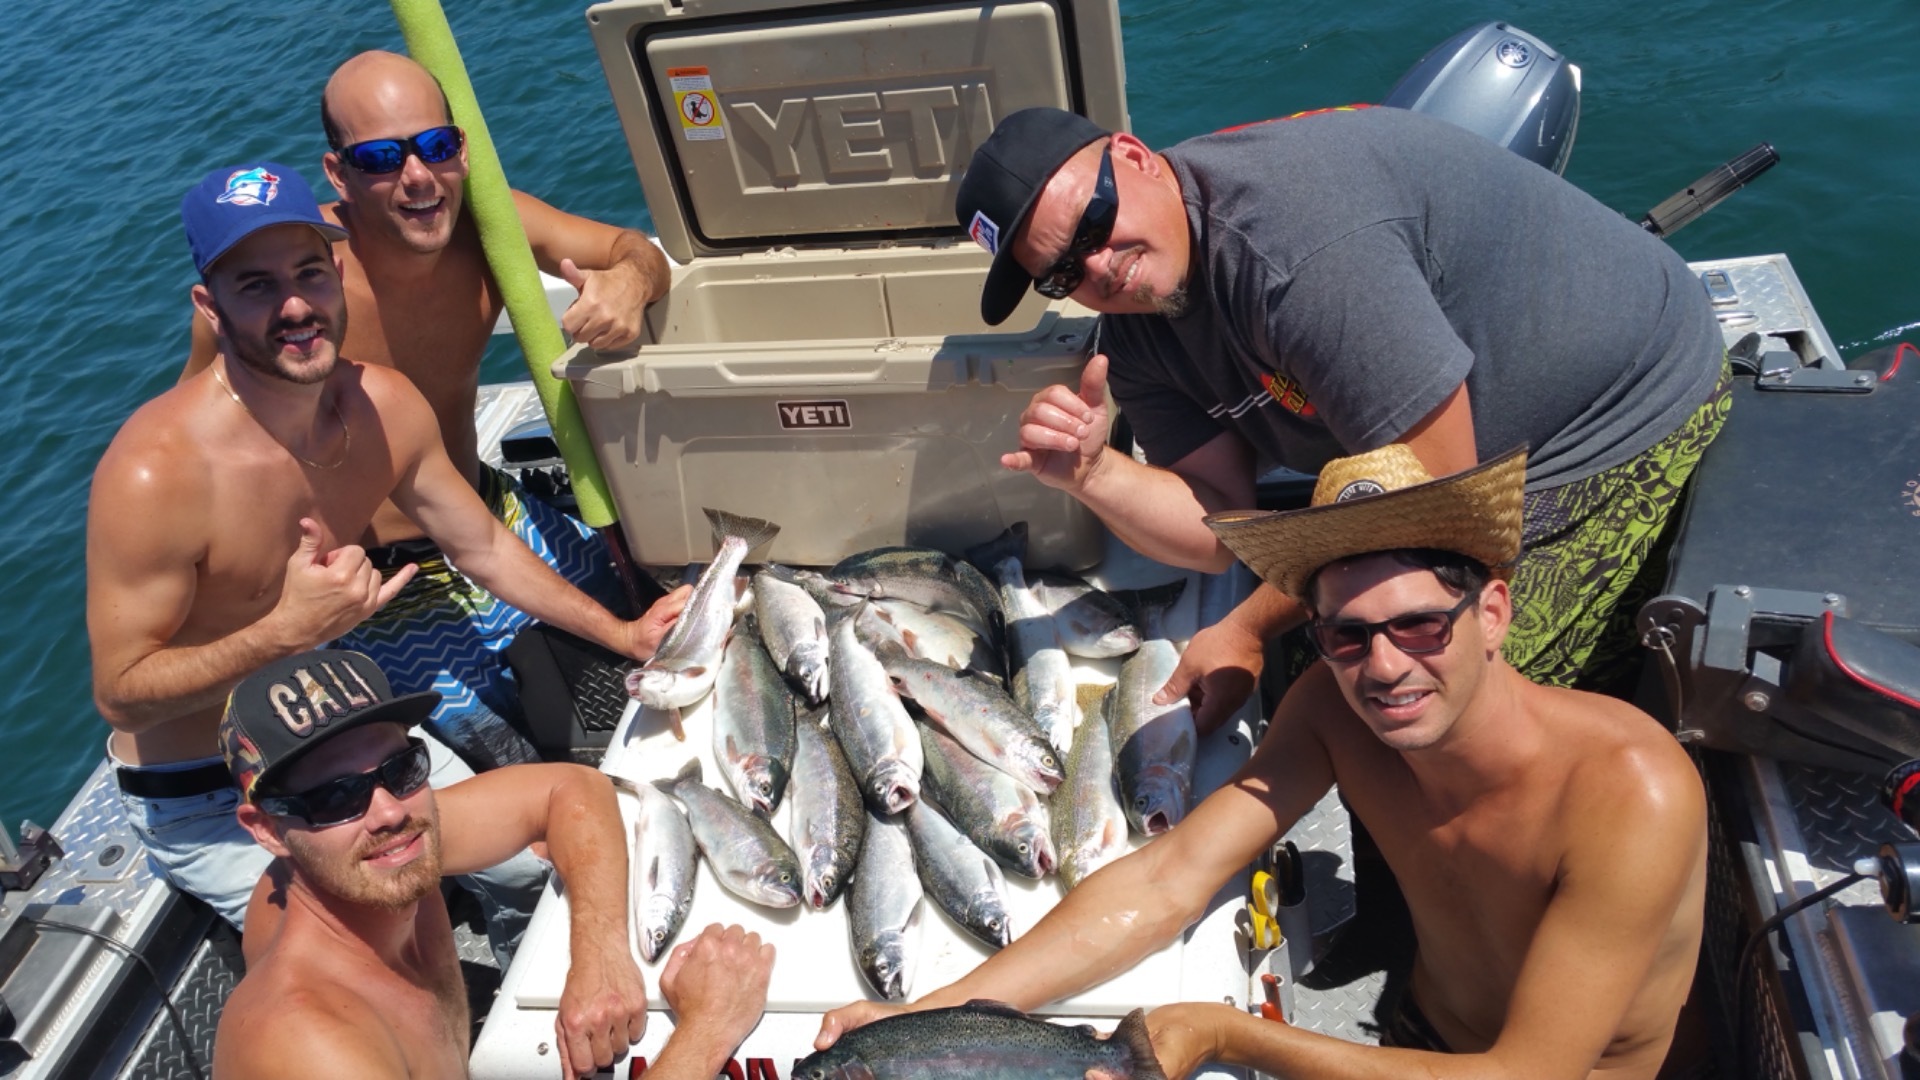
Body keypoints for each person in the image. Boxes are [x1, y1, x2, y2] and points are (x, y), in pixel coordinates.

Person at [815, 446, 1709, 1079]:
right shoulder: (1332, 707)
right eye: (1348, 635)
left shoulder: (1631, 791)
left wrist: (1228, 1035)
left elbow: (1526, 1074)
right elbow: (1169, 876)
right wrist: (948, 1010)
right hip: (1418, 1033)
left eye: (1421, 625)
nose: (1386, 666)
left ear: (1494, 614)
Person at [87, 161, 687, 957]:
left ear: (338, 273)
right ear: (210, 306)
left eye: (308, 273)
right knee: (382, 958)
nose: (295, 306)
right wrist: (281, 634)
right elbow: (123, 696)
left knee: (530, 868)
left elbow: (482, 546)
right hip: (224, 793)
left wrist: (622, 634)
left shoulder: (382, 405)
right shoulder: (157, 473)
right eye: (256, 286)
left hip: (347, 738)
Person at [959, 105, 1731, 723]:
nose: (1098, 267)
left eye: (1094, 223)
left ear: (1132, 154)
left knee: (1455, 699)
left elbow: (1442, 502)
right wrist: (1095, 473)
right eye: (1062, 270)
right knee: (1340, 676)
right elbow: (1223, 526)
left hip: (1611, 418)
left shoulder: (1293, 251)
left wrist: (1251, 628)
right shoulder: (1136, 333)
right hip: (1447, 465)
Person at [181, 50, 674, 770]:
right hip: (373, 584)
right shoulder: (295, 289)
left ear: (461, 149)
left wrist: (629, 282)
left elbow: (635, 249)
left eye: (435, 147)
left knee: (656, 644)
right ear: (338, 172)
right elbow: (196, 450)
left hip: (487, 517)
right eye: (381, 157)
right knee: (512, 764)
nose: (417, 177)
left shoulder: (493, 228)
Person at [210, 650, 776, 1079]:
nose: (385, 811)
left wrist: (599, 956)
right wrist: (706, 1030)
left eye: (401, 768)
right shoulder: (309, 1048)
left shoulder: (379, 850)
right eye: (333, 796)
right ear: (268, 830)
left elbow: (569, 787)